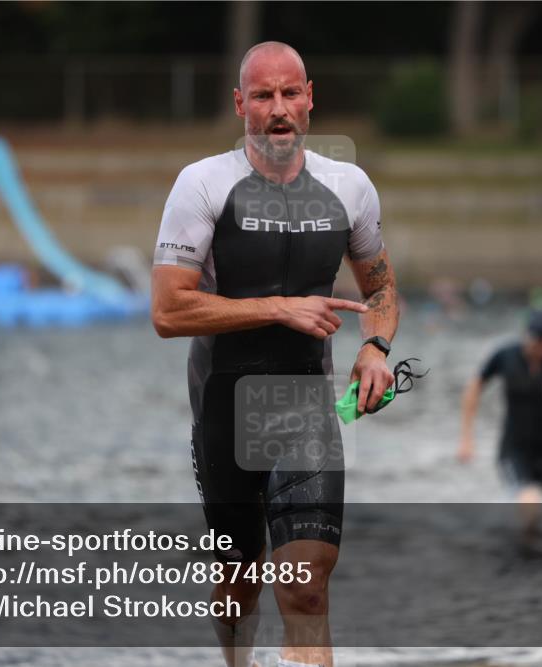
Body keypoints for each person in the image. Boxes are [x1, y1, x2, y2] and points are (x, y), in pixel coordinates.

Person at [151, 41, 399, 667]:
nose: (278, 109)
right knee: (239, 586)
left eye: (290, 93)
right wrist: (281, 307)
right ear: (242, 105)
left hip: (304, 407)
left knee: (307, 590)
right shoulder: (203, 183)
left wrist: (374, 348)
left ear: (310, 98)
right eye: (263, 96)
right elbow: (168, 311)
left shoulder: (350, 187)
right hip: (224, 409)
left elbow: (383, 288)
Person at [458, 310, 542, 524]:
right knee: (529, 501)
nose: (540, 348)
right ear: (526, 337)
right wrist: (466, 438)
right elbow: (474, 387)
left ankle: (525, 544)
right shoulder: (506, 355)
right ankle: (520, 549)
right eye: (536, 341)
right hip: (513, 449)